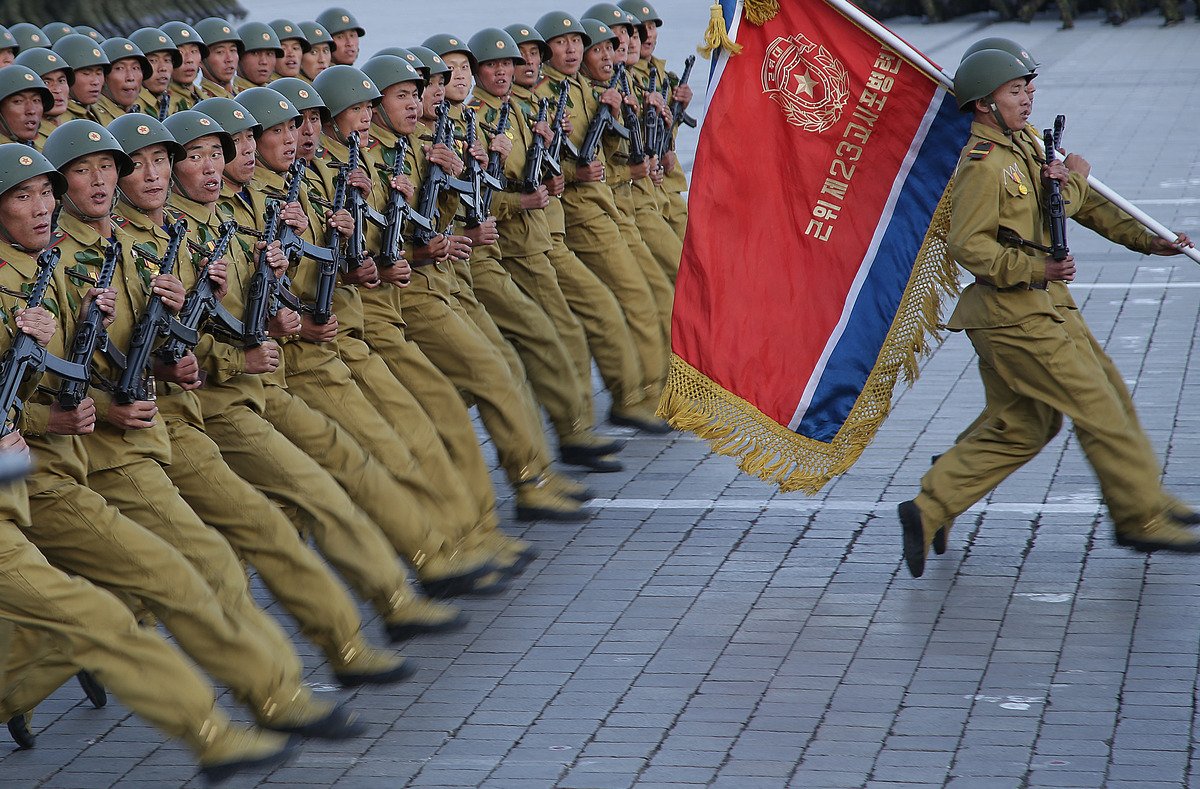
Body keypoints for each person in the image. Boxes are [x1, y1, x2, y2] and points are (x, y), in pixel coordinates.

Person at [0, 143, 298, 782]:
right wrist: (44, 419)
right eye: (23, 196)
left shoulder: (52, 265)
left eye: (44, 192)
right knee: (128, 597)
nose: (42, 205)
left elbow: (86, 364)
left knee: (115, 597)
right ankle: (223, 727)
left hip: (46, 473)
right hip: (60, 467)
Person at [897, 48, 1200, 579]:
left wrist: (1151, 241)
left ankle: (933, 503)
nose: (1027, 97)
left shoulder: (1028, 146)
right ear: (986, 105)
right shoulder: (983, 166)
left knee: (1026, 424)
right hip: (1014, 314)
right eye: (1015, 91)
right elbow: (969, 246)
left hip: (1042, 308)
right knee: (1098, 407)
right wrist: (1038, 268)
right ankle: (1140, 516)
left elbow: (1073, 206)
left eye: (1028, 87)